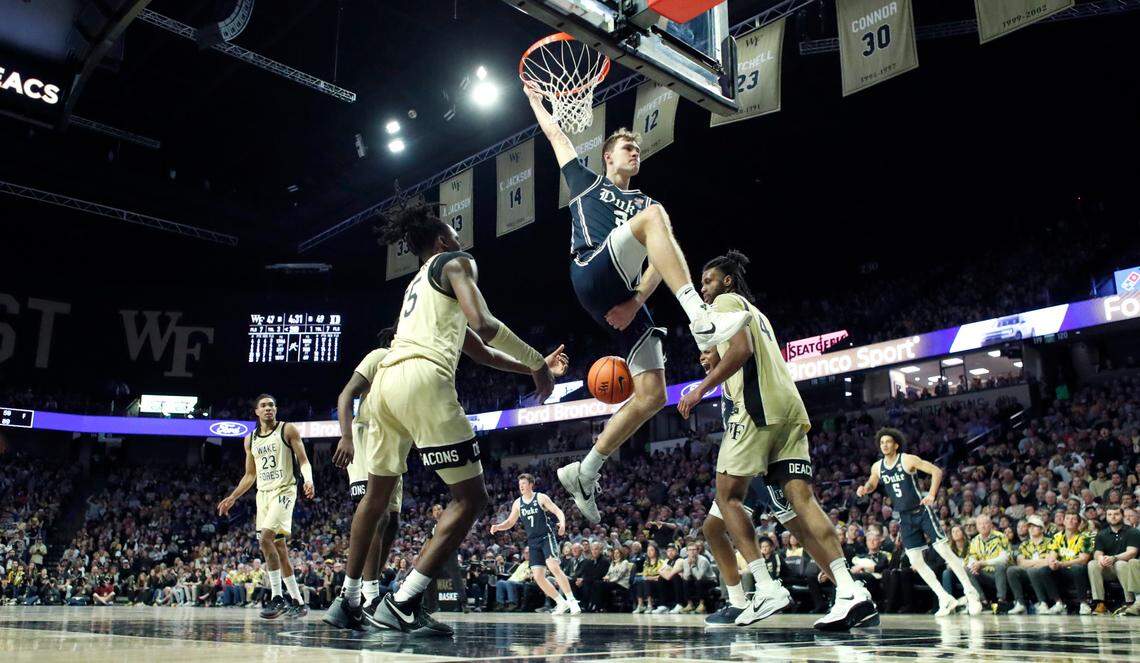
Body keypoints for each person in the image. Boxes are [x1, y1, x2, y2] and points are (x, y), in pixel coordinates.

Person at [325, 202, 565, 636]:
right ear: (441, 241)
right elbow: (487, 325)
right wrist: (537, 363)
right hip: (422, 380)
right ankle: (403, 603)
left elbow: (482, 351)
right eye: (453, 234)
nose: (460, 239)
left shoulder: (417, 284)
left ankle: (348, 598)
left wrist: (533, 366)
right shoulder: (456, 262)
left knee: (376, 499)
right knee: (470, 499)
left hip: (386, 387)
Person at [525, 86, 750, 525]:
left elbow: (656, 266)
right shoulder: (585, 183)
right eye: (627, 147)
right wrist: (536, 99)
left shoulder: (645, 204)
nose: (635, 153)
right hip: (591, 271)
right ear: (607, 156)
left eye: (637, 149)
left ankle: (585, 471)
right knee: (654, 218)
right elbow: (556, 135)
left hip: (624, 295)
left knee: (652, 394)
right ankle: (701, 320)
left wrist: (636, 303)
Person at [678, 250, 875, 631]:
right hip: (789, 409)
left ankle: (765, 586)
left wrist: (699, 389)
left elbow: (741, 350)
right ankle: (851, 591)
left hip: (759, 411)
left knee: (727, 496)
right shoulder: (758, 314)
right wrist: (713, 362)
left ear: (728, 281)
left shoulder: (726, 302)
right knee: (803, 504)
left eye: (709, 281)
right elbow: (740, 351)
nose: (704, 289)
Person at [856, 427, 982, 616]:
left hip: (921, 511)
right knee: (915, 560)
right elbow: (873, 482)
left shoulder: (907, 459)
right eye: (882, 442)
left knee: (944, 550)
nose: (884, 445)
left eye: (888, 441)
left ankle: (971, 594)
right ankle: (945, 598)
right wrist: (865, 489)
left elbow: (936, 471)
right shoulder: (877, 466)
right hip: (904, 517)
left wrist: (931, 494)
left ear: (896, 444)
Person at [216, 394, 314, 619]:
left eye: (271, 405)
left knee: (265, 539)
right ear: (256, 412)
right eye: (263, 405)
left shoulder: (287, 430)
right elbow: (250, 475)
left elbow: (304, 460)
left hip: (284, 491)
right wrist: (233, 497)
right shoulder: (250, 439)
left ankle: (277, 598)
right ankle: (298, 602)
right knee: (280, 549)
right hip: (263, 496)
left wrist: (308, 480)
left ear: (276, 409)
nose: (268, 408)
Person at [330, 327, 403, 612]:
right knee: (378, 513)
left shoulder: (412, 368)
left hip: (394, 441)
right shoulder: (379, 357)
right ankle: (370, 595)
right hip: (366, 435)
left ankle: (368, 586)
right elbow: (346, 395)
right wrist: (346, 436)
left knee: (392, 521)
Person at [489, 474, 581, 615]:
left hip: (546, 537)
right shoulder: (518, 503)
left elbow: (558, 511)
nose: (521, 486)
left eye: (524, 483)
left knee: (553, 567)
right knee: (538, 576)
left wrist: (562, 524)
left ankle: (572, 601)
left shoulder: (540, 498)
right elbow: (510, 522)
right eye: (520, 484)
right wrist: (498, 527)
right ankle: (561, 602)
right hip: (533, 542)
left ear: (531, 484)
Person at [1005, 515, 1065, 614]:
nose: (1031, 529)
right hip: (1029, 572)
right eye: (1029, 526)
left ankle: (1043, 603)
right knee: (1012, 569)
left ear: (1042, 529)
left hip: (1046, 573)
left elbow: (1049, 561)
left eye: (1034, 526)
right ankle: (1020, 603)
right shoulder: (1024, 544)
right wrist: (1039, 562)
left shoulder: (1051, 542)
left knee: (1032, 570)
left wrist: (1030, 563)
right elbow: (1021, 563)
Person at [1088, 504, 1140, 615]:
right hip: (1110, 569)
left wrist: (1114, 558)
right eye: (1110, 514)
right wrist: (1101, 558)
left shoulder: (1132, 532)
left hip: (1127, 568)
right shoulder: (1102, 534)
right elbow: (1097, 553)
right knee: (1093, 564)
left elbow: (1132, 552)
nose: (1113, 517)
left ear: (1122, 515)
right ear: (1106, 517)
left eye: (1116, 514)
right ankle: (1099, 603)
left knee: (1120, 564)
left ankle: (1129, 602)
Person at [1049, 511, 1094, 614]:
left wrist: (1061, 564)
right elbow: (1052, 554)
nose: (1070, 521)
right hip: (1063, 570)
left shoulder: (1087, 537)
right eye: (1067, 518)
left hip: (1081, 571)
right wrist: (1053, 563)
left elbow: (1084, 559)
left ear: (1078, 523)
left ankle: (1083, 604)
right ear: (1063, 521)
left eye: (1073, 519)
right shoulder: (1056, 537)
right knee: (1045, 570)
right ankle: (1058, 604)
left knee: (1077, 567)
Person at [964, 514, 1012, 607]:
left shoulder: (1000, 536)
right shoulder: (975, 540)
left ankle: (1002, 600)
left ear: (991, 525)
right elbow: (971, 558)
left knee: (1000, 566)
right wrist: (974, 565)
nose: (983, 526)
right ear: (977, 527)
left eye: (986, 523)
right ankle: (982, 601)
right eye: (980, 524)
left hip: (1001, 574)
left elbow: (1005, 558)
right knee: (967, 569)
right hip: (985, 575)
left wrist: (983, 563)